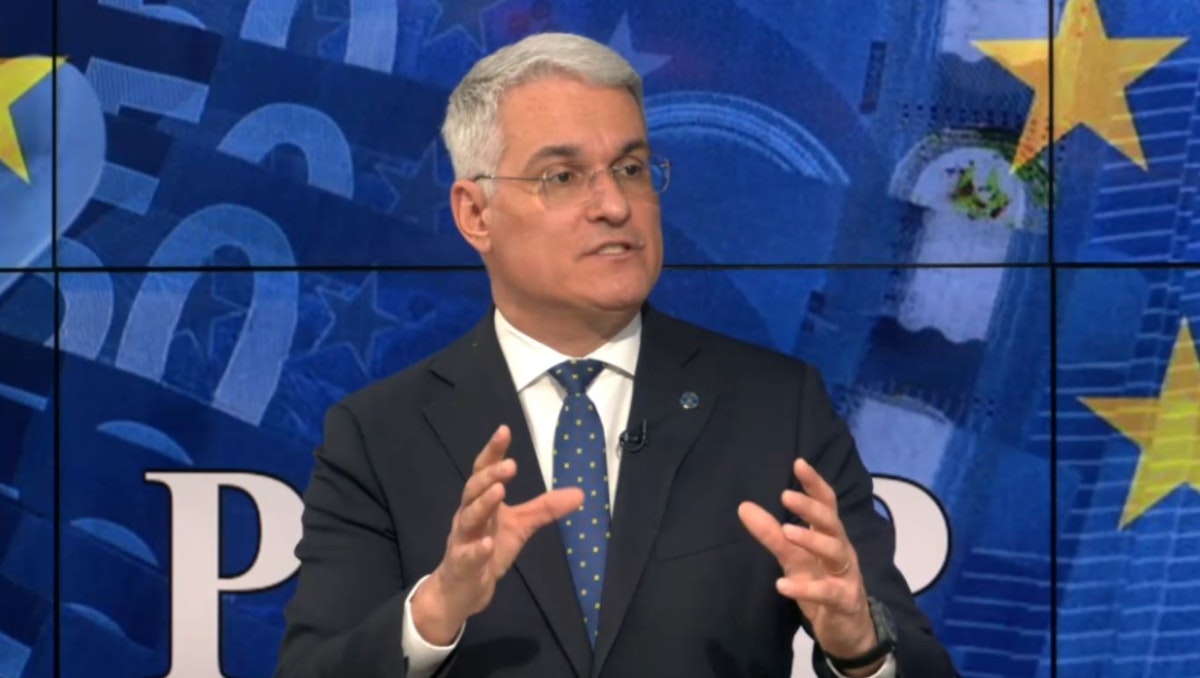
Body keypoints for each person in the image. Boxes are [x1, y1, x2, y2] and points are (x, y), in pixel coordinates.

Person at [273, 32, 957, 678]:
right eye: (562, 176)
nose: (613, 205)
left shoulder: (777, 409)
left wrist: (860, 643)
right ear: (476, 213)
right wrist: (434, 611)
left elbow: (920, 661)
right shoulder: (378, 436)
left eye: (630, 169)